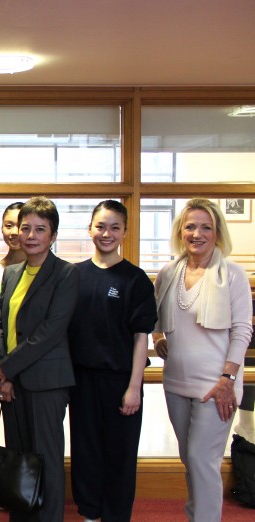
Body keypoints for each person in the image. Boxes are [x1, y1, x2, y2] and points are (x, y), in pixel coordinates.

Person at [152, 198, 252, 522]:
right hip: (175, 383)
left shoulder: (233, 275)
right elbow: (151, 316)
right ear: (181, 231)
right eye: (190, 226)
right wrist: (158, 338)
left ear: (217, 232)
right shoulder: (168, 273)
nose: (197, 233)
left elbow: (241, 332)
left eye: (205, 227)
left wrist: (228, 380)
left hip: (216, 385)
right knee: (190, 459)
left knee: (201, 460)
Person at [0, 196, 79, 522]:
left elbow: (51, 331)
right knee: (20, 461)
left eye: (40, 229)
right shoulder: (11, 272)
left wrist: (7, 367)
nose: (30, 235)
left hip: (47, 383)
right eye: (25, 227)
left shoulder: (66, 274)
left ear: (53, 236)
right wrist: (3, 374)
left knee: (46, 460)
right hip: (12, 381)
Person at [67, 200, 157, 522]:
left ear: (125, 232)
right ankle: (90, 514)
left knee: (120, 456)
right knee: (86, 452)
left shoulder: (135, 280)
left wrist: (135, 387)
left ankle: (117, 516)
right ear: (90, 228)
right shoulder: (73, 275)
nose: (106, 233)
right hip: (81, 382)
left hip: (121, 381)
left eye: (115, 227)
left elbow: (140, 338)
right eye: (101, 226)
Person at [0, 202, 26, 269]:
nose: (14, 232)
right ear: (2, 228)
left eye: (20, 226)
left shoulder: (41, 268)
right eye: (9, 226)